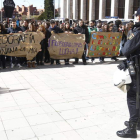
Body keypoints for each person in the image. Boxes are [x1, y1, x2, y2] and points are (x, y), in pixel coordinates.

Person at [116, 7, 140, 138]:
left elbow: (126, 49)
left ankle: (132, 128)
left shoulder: (138, 31)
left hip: (137, 69)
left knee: (133, 96)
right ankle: (138, 122)